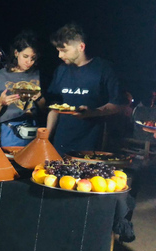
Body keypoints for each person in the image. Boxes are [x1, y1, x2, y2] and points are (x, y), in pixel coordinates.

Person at [46, 23, 126, 155]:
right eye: (58, 50)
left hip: (91, 147)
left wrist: (93, 112)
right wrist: (46, 137)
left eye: (64, 50)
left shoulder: (104, 69)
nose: (60, 55)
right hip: (60, 145)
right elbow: (55, 108)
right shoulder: (61, 70)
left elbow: (119, 104)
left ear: (81, 47)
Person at [0, 31, 45, 147]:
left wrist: (39, 98)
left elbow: (44, 109)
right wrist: (0, 102)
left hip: (33, 128)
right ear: (16, 53)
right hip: (9, 131)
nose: (29, 62)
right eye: (25, 56)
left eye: (33, 58)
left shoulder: (38, 75)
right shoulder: (1, 76)